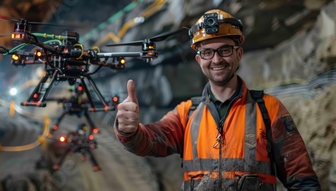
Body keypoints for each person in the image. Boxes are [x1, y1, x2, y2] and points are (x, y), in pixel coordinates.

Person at [114, 9, 321, 191]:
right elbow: (149, 142)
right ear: (199, 59)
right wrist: (129, 130)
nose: (216, 59)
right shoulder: (186, 114)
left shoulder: (269, 109)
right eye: (207, 52)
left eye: (224, 50)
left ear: (238, 54)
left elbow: (302, 180)